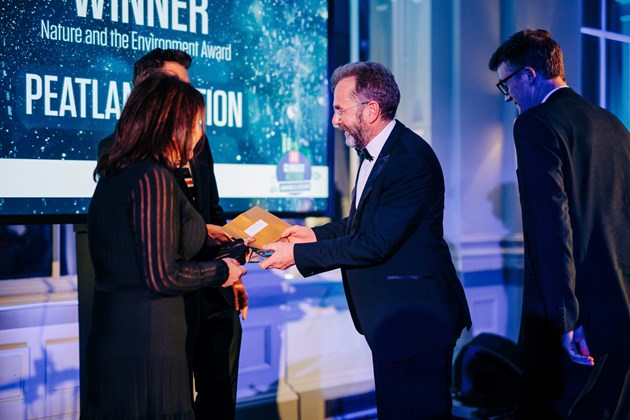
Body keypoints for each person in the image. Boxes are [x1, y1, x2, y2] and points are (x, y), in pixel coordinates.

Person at [260, 61, 472, 419]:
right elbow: (360, 224)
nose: (335, 120)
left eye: (340, 109)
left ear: (371, 110)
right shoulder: (380, 152)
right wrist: (311, 233)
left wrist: (299, 254)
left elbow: (374, 242)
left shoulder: (410, 160)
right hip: (396, 324)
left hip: (416, 325)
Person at [87, 74, 248, 418]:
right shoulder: (153, 178)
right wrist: (223, 269)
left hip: (117, 340)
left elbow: (140, 247)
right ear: (173, 124)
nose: (200, 135)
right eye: (197, 123)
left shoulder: (117, 172)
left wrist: (207, 237)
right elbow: (163, 275)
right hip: (151, 343)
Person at [488, 29, 630, 419]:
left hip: (571, 324)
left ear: (530, 75)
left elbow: (552, 227)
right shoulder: (614, 125)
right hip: (621, 314)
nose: (508, 96)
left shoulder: (535, 124)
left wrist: (565, 319)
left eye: (508, 83)